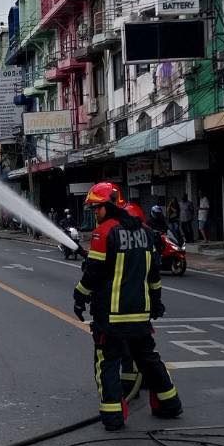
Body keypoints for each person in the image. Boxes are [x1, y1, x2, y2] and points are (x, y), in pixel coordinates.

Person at [73, 181, 181, 431]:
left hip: (110, 316)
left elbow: (93, 274)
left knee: (107, 362)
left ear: (109, 207)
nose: (95, 214)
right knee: (148, 359)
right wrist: (155, 303)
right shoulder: (144, 232)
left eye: (97, 209)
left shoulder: (104, 233)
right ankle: (170, 403)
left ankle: (113, 416)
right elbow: (154, 275)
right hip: (140, 315)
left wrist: (79, 296)